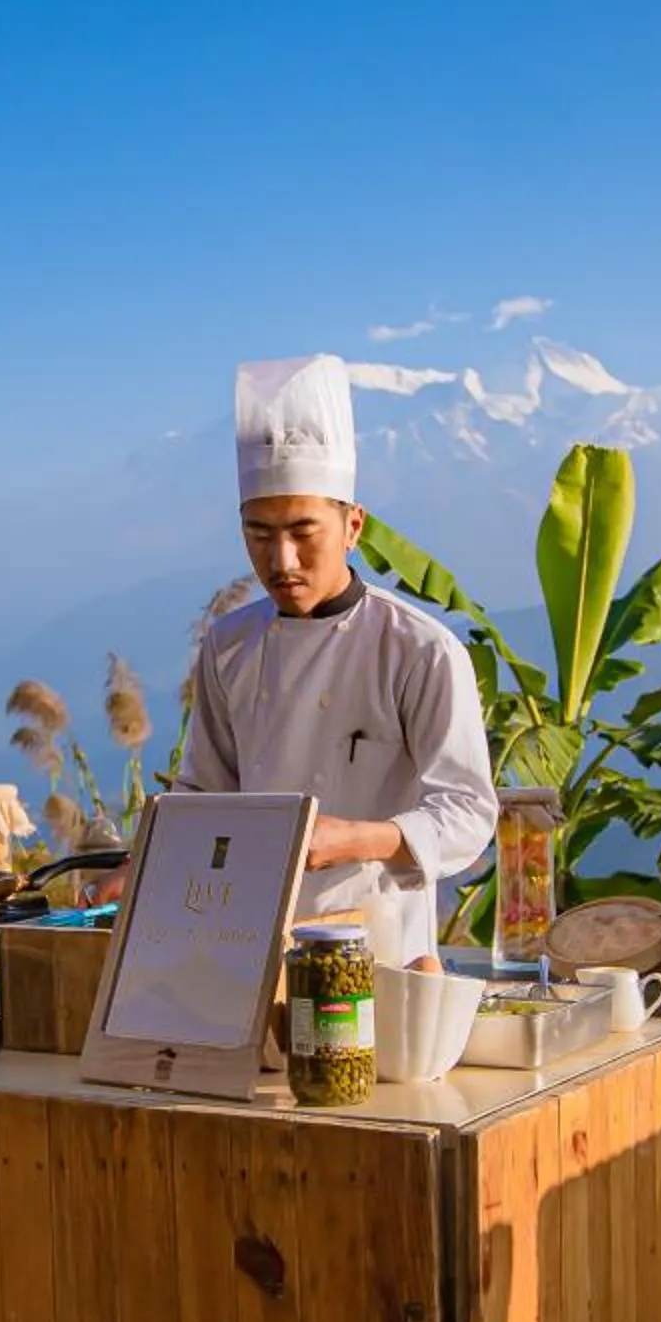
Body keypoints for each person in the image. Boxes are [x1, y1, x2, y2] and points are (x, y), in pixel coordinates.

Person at [160, 354, 500, 966]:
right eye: (259, 535)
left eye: (302, 532)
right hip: (248, 941)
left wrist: (358, 839)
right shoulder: (229, 644)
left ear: (353, 526)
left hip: (382, 947)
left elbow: (469, 812)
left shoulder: (418, 649)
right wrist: (144, 863)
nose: (281, 560)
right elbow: (205, 790)